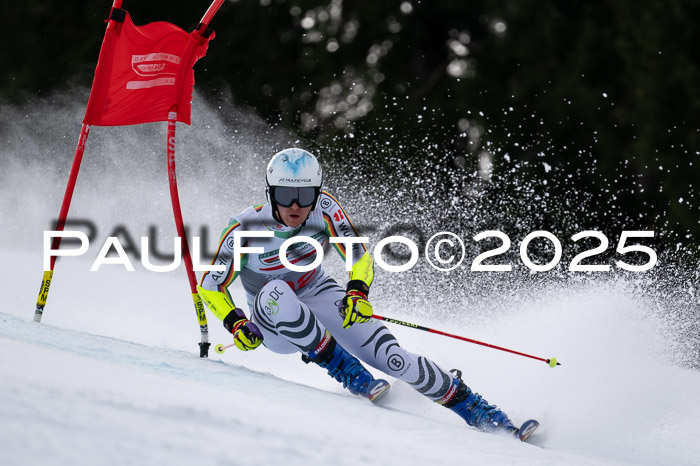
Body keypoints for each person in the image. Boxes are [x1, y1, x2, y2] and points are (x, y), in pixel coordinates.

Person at [198, 148, 519, 435]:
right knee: (278, 290)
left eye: (305, 194)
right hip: (272, 318)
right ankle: (344, 368)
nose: (295, 205)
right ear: (270, 194)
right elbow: (210, 285)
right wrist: (236, 323)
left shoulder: (324, 209)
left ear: (317, 192)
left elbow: (359, 257)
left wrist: (357, 292)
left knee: (393, 358)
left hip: (316, 291)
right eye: (284, 195)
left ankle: (478, 410)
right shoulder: (246, 228)